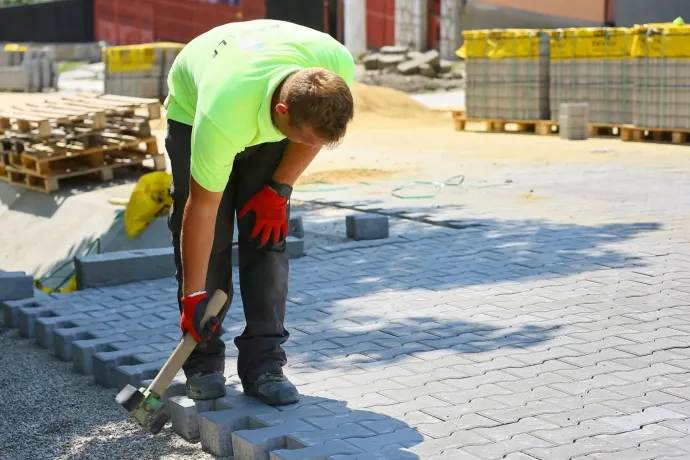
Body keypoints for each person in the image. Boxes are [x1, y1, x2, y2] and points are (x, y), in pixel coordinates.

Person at [163, 19, 355, 406]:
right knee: (212, 238)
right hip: (199, 108)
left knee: (267, 237)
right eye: (300, 137)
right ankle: (202, 362)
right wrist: (193, 295)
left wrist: (278, 188)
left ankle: (264, 365)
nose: (307, 145)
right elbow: (201, 208)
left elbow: (313, 134)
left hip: (262, 98)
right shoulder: (222, 113)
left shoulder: (336, 64)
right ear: (282, 113)